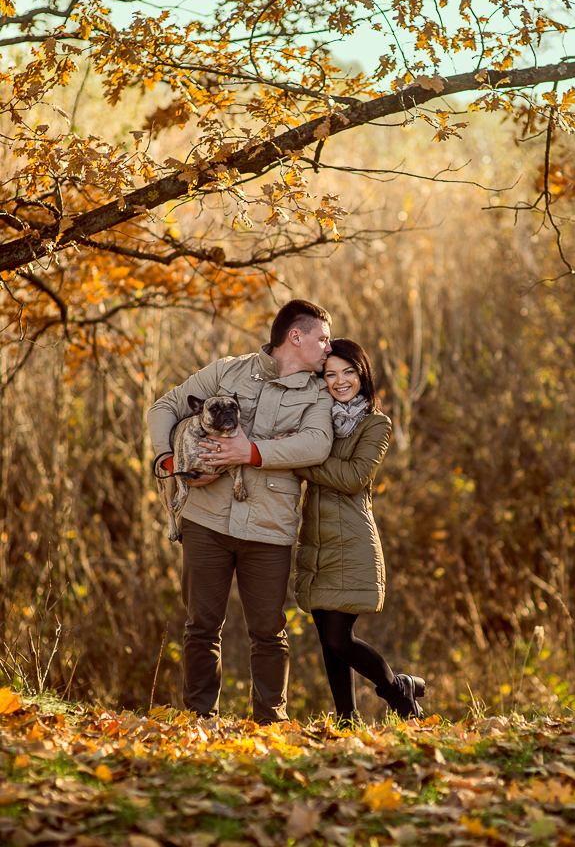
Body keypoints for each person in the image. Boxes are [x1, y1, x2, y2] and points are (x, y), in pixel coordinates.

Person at [147, 300, 334, 723]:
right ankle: (199, 720)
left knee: (269, 632)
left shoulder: (320, 393)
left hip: (269, 529)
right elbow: (164, 407)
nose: (329, 347)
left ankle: (271, 723)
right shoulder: (227, 371)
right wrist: (168, 462)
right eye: (323, 338)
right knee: (200, 626)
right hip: (205, 522)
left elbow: (316, 444)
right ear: (295, 336)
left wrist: (250, 451)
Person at [294, 338, 426, 726]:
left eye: (348, 372)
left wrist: (300, 461)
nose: (339, 381)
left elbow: (353, 478)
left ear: (362, 373)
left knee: (339, 638)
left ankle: (397, 691)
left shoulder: (375, 423)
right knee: (328, 642)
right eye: (330, 374)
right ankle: (347, 721)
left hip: (351, 541)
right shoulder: (317, 418)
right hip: (316, 541)